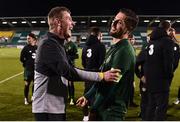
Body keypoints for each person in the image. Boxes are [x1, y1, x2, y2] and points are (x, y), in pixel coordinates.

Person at [32, 6, 120, 121]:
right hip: (47, 109)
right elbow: (68, 72)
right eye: (69, 19)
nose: (72, 23)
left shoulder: (56, 44)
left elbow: (71, 68)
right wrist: (102, 76)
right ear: (58, 22)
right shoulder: (48, 44)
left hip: (53, 107)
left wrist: (99, 72)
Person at [77, 8, 139, 121]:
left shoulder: (124, 51)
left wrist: (94, 109)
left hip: (111, 112)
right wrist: (87, 96)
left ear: (129, 28)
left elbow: (110, 85)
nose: (113, 23)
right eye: (115, 19)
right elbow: (103, 79)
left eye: (120, 22)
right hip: (103, 108)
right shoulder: (115, 47)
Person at [144, 20, 174, 120]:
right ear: (168, 29)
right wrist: (169, 76)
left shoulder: (151, 41)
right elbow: (168, 62)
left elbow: (147, 61)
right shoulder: (167, 41)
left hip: (150, 79)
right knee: (161, 108)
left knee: (151, 106)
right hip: (161, 80)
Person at [81, 26, 106, 121]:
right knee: (97, 97)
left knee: (86, 95)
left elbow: (83, 62)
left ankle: (85, 116)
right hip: (97, 75)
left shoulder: (85, 46)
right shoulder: (100, 46)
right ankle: (93, 118)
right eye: (101, 35)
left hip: (87, 74)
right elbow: (102, 63)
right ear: (98, 35)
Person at [20, 32, 37, 105]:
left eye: (29, 38)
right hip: (28, 69)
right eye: (27, 39)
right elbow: (21, 58)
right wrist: (26, 64)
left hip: (36, 69)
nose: (28, 40)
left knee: (35, 84)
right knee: (27, 84)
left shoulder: (37, 47)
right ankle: (26, 99)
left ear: (33, 39)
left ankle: (33, 96)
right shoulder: (25, 48)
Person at [64, 37, 79, 105]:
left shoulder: (73, 45)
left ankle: (72, 98)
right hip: (64, 66)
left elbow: (77, 56)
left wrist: (69, 57)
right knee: (64, 82)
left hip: (71, 66)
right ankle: (66, 97)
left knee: (70, 82)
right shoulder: (63, 45)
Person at [168, 27, 180, 105]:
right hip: (162, 69)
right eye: (170, 32)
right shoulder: (164, 43)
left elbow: (178, 57)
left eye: (173, 32)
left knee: (167, 85)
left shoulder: (176, 45)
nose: (172, 33)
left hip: (172, 69)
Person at [128, 33, 138, 107]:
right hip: (125, 71)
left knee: (131, 87)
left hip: (131, 71)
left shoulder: (133, 48)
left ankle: (130, 102)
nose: (132, 40)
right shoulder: (126, 48)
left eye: (133, 39)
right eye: (130, 39)